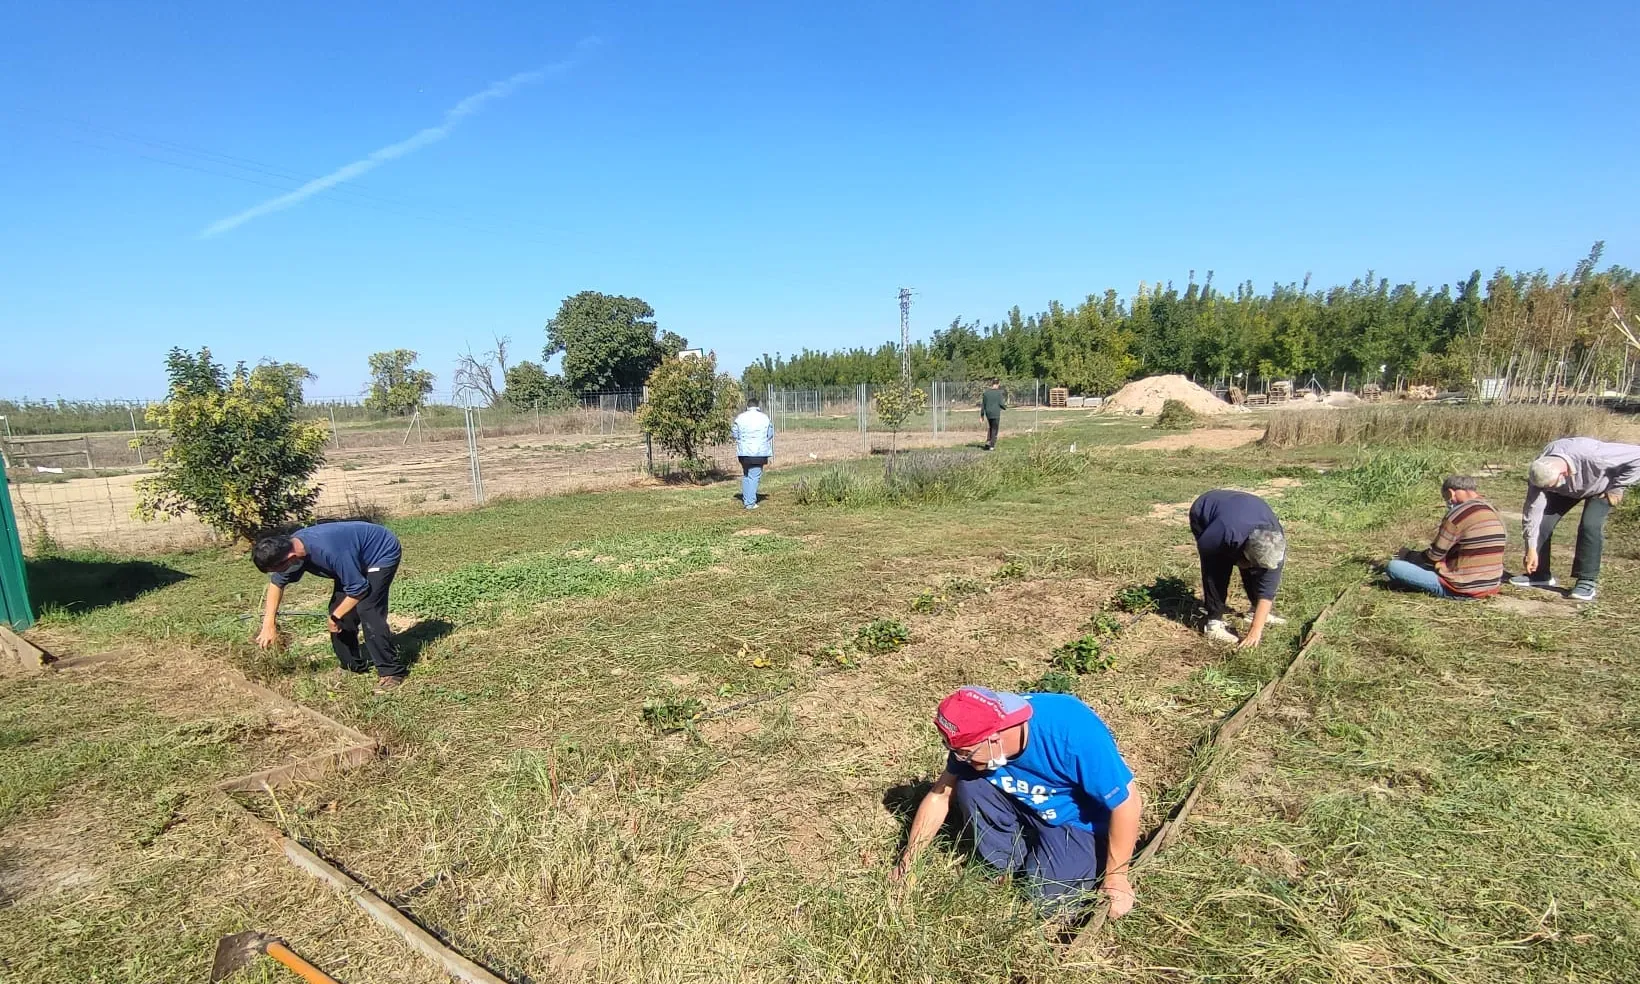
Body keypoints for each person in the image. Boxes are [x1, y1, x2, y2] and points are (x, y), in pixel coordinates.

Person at [892, 687, 1141, 916]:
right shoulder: (975, 734)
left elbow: (1127, 803)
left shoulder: (1071, 733)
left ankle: (1072, 859)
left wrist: (1116, 877)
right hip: (1024, 800)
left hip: (1075, 820)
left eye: (965, 753)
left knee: (1046, 899)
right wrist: (908, 863)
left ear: (994, 738)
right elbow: (941, 794)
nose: (959, 758)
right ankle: (1003, 866)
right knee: (969, 782)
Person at [252, 520, 407, 693]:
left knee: (368, 610)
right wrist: (269, 623)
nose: (277, 573)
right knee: (340, 611)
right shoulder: (292, 549)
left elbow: (359, 589)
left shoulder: (329, 551)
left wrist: (335, 617)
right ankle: (351, 666)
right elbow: (276, 584)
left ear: (289, 558)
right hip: (351, 557)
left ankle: (391, 672)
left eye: (276, 569)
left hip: (380, 551)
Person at [1512, 438, 1640, 602]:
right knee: (1542, 524)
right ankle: (1540, 573)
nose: (1548, 490)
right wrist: (1530, 548)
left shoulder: (1595, 456)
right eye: (1546, 488)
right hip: (1568, 489)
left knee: (1590, 525)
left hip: (1601, 488)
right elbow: (1532, 510)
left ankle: (1586, 581)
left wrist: (1617, 487)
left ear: (1563, 473)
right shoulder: (1540, 471)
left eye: (1551, 486)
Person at [1189, 489, 1286, 647]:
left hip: (1243, 512)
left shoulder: (1276, 544)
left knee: (1257, 569)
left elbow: (1268, 588)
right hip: (1206, 510)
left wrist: (1256, 629)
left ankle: (1255, 611)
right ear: (1245, 549)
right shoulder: (1226, 532)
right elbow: (1206, 551)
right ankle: (1214, 623)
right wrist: (1236, 560)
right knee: (1217, 568)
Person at [1384, 475, 1507, 599]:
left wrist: (1409, 555)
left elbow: (1434, 555)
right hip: (1491, 585)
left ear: (1451, 493)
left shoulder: (1458, 514)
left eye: (1445, 497)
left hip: (1462, 588)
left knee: (1394, 567)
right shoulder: (1494, 511)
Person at [731, 396, 775, 510]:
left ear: (747, 406)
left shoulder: (740, 417)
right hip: (759, 452)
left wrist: (742, 440)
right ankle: (750, 503)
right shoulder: (764, 418)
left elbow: (735, 433)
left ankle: (747, 499)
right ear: (758, 406)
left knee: (746, 475)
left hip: (744, 452)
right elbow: (770, 434)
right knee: (754, 476)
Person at [980, 379, 1006, 451]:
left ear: (992, 384)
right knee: (995, 428)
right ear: (998, 384)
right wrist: (1004, 407)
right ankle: (992, 445)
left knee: (990, 427)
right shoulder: (999, 393)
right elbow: (1001, 404)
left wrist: (981, 415)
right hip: (996, 413)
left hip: (988, 413)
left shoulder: (986, 393)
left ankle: (988, 441)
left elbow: (983, 405)